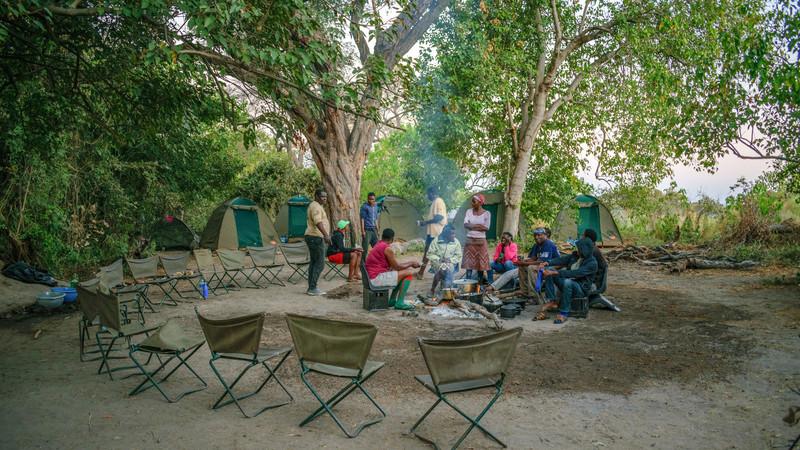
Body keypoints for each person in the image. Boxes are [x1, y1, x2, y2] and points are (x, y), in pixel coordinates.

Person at [539, 237, 598, 324]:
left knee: (566, 281)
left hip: (580, 289)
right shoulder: (576, 256)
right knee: (549, 271)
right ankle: (552, 301)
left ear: (584, 249)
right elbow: (562, 259)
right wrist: (548, 262)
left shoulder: (592, 263)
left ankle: (564, 313)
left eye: (579, 248)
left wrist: (556, 272)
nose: (577, 250)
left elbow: (575, 273)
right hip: (569, 283)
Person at [486, 227, 559, 296]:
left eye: (539, 235)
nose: (536, 237)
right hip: (538, 265)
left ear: (545, 235)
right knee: (512, 272)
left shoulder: (548, 244)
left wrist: (524, 263)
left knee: (530, 267)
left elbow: (542, 262)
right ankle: (493, 287)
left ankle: (533, 294)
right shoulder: (537, 245)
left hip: (551, 267)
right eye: (535, 235)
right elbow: (533, 258)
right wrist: (522, 261)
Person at [365, 228, 420, 310]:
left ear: (383, 236)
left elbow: (395, 265)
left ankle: (393, 300)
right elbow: (397, 266)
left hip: (372, 277)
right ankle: (400, 303)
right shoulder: (387, 249)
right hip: (376, 279)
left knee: (401, 273)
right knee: (409, 273)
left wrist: (410, 263)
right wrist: (411, 263)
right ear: (392, 239)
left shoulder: (378, 244)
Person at [304, 189, 331, 296]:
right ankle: (312, 287)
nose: (324, 198)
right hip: (316, 237)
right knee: (320, 263)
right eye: (322, 196)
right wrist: (326, 235)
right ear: (316, 196)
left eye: (325, 196)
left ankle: (311, 287)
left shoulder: (317, 206)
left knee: (314, 262)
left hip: (313, 237)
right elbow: (318, 221)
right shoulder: (315, 206)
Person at [416, 186, 447, 279]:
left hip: (436, 233)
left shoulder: (438, 201)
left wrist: (425, 222)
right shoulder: (435, 202)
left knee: (433, 254)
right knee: (429, 252)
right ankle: (421, 273)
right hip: (432, 233)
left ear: (432, 193)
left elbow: (439, 217)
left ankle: (443, 274)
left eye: (428, 194)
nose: (427, 196)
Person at [461, 193, 491, 283]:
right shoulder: (469, 211)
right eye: (472, 201)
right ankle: (468, 283)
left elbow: (486, 228)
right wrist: (479, 226)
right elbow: (466, 225)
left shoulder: (487, 214)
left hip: (481, 242)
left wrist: (472, 226)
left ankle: (479, 284)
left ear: (480, 202)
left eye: (474, 201)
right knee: (468, 264)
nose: (472, 203)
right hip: (469, 241)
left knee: (480, 264)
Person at [425, 225, 462, 296]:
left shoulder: (456, 242)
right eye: (452, 234)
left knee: (446, 269)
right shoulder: (436, 241)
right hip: (437, 262)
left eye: (454, 233)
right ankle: (437, 289)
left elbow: (458, 256)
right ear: (446, 234)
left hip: (451, 263)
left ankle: (442, 288)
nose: (454, 235)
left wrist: (450, 260)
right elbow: (429, 254)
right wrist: (439, 259)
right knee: (442, 268)